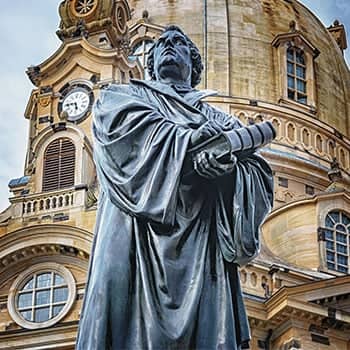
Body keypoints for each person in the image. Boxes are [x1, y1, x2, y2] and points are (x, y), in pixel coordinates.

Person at [76, 25, 274, 350]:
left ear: (193, 65)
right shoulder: (124, 96)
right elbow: (119, 131)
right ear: (151, 62)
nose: (169, 46)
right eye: (162, 43)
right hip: (134, 235)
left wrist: (226, 172)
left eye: (179, 42)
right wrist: (189, 140)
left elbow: (257, 173)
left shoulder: (219, 119)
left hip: (201, 245)